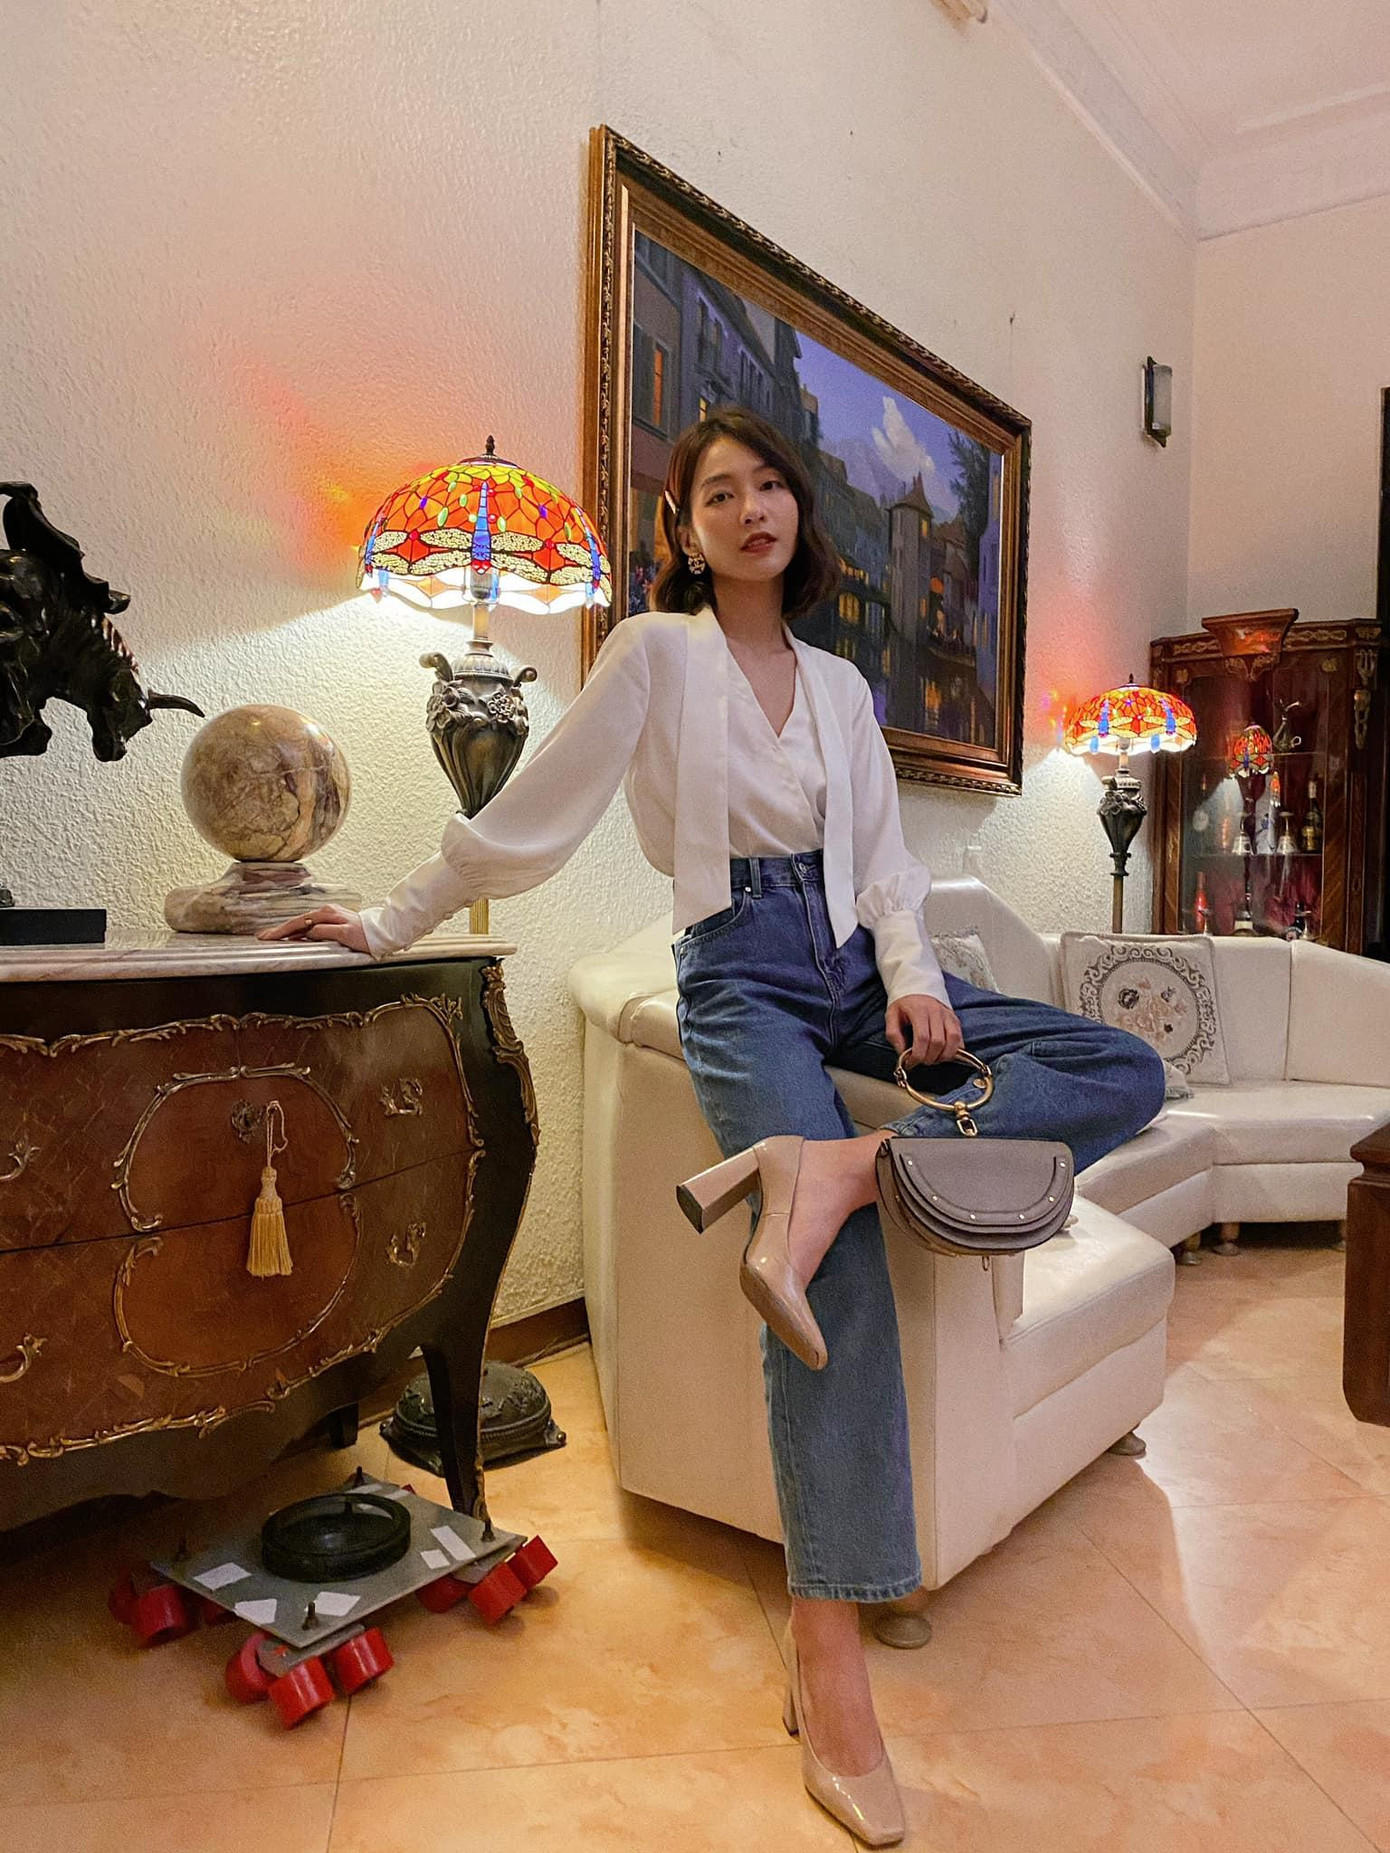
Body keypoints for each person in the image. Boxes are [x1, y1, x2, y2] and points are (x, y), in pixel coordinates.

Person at [263, 407, 1164, 1846]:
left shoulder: (840, 684)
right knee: (827, 1275)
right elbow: (535, 814)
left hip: (858, 969)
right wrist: (383, 921)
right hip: (739, 973)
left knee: (1117, 1065)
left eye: (769, 486)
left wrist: (918, 984)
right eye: (717, 493)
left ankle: (856, 1165)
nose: (751, 509)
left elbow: (885, 865)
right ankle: (828, 1652)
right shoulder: (651, 653)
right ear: (683, 528)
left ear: (800, 512)